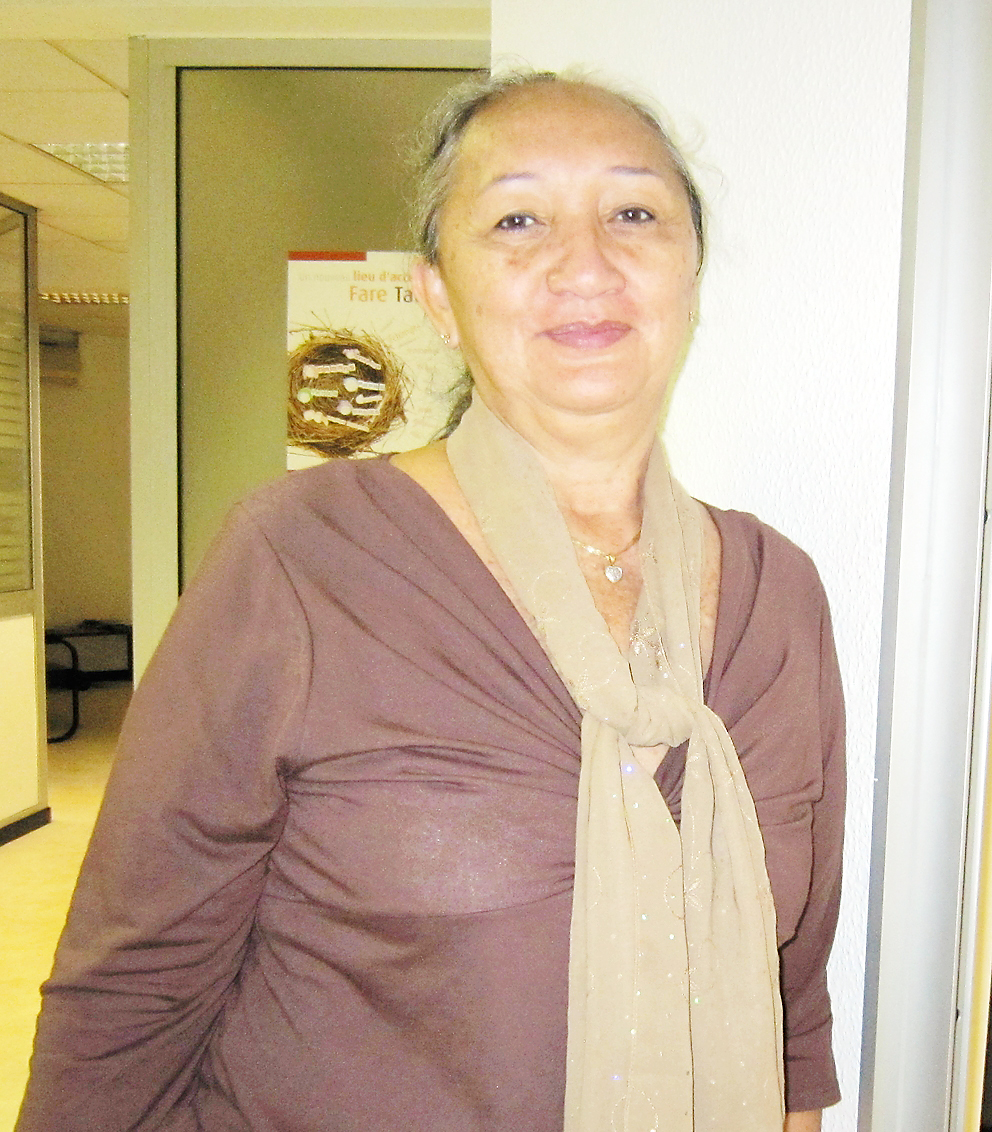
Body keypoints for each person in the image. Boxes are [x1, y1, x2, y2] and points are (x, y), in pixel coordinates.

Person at [17, 71, 844, 1132]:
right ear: (439, 297)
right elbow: (130, 991)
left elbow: (792, 1005)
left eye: (634, 213)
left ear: (689, 274)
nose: (585, 262)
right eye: (517, 220)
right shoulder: (300, 560)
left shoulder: (779, 596)